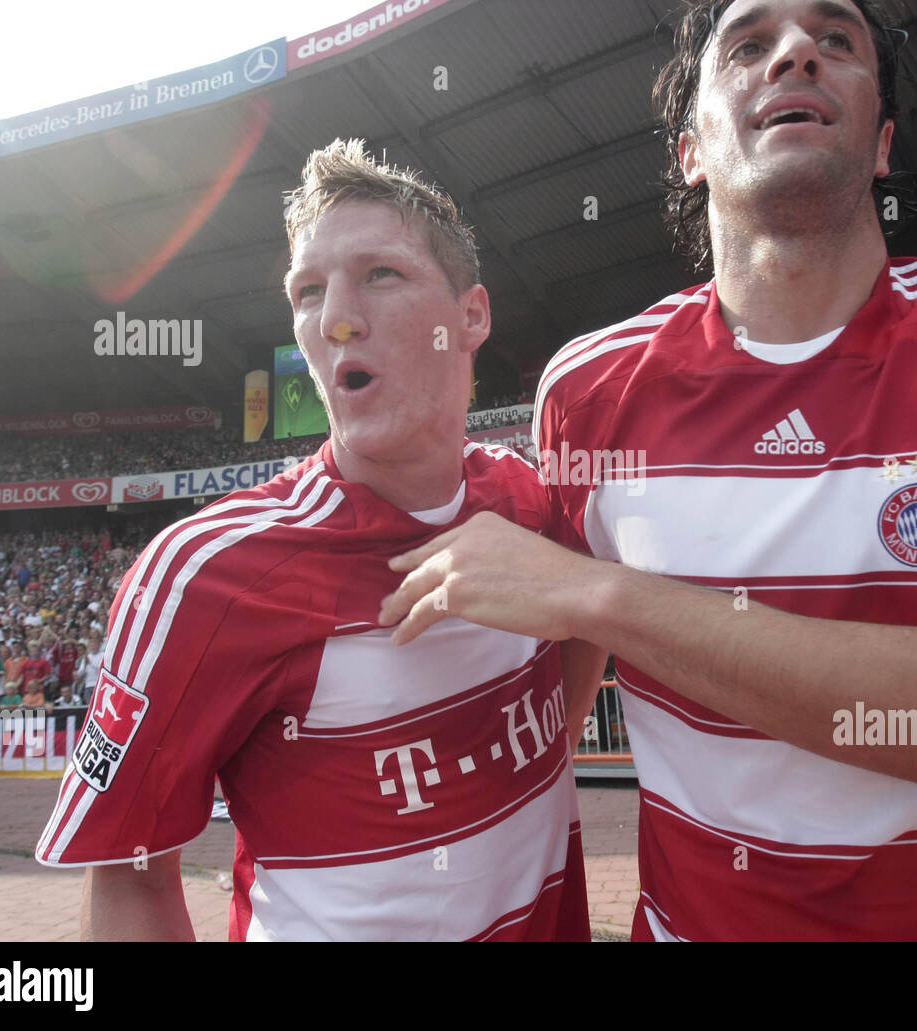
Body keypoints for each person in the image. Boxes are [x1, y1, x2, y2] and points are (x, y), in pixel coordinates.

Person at [378, 0, 917, 940]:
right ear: (692, 146)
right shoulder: (586, 390)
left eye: (836, 41)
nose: (794, 54)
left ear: (884, 141)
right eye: (748, 44)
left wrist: (603, 597)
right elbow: (552, 713)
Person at [36, 140, 595, 942]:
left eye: (381, 274)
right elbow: (130, 874)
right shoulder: (205, 576)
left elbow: (579, 646)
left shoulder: (534, 502)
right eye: (307, 290)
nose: (334, 316)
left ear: (471, 316)